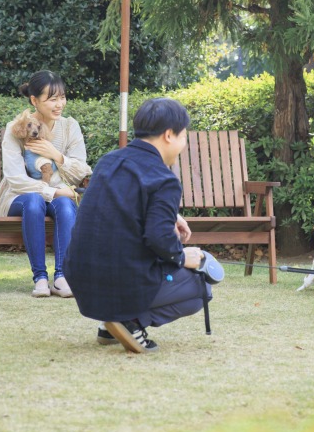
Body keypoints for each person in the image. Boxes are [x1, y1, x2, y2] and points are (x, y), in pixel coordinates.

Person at [64, 98, 213, 353]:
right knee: (201, 287)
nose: (184, 144)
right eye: (183, 136)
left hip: (78, 275)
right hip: (121, 279)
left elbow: (113, 208)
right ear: (169, 135)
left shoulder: (108, 161)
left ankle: (108, 325)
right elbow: (158, 237)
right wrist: (180, 257)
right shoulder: (164, 178)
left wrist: (170, 216)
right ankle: (131, 321)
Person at [0, 70, 91, 298]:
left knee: (65, 205)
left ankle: (62, 277)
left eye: (62, 97)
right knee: (35, 201)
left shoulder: (69, 126)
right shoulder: (16, 128)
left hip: (59, 195)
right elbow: (15, 178)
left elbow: (81, 171)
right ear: (34, 100)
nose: (59, 104)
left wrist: (56, 155)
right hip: (19, 196)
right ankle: (40, 278)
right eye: (52, 99)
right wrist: (53, 191)